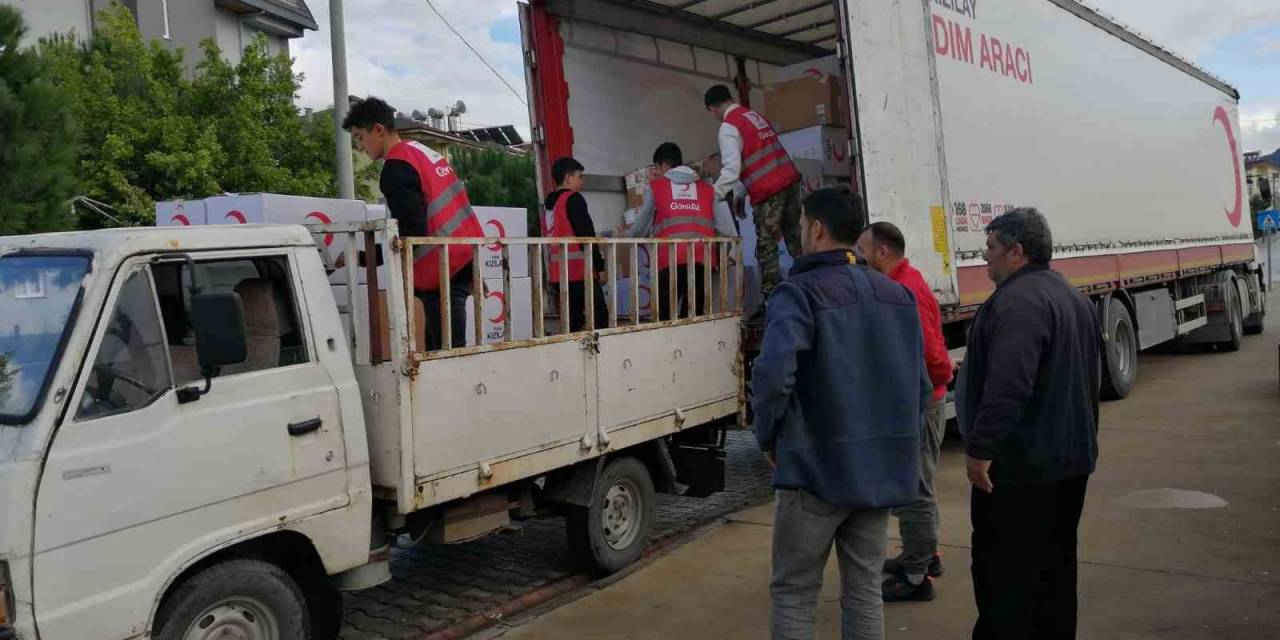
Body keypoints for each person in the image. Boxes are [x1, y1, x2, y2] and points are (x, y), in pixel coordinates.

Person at [752, 186, 932, 640]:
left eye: (800, 225)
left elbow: (773, 378)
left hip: (814, 470)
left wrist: (768, 438)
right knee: (865, 590)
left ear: (815, 229)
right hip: (877, 475)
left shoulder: (797, 293)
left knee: (794, 591)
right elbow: (921, 388)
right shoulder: (897, 296)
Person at [956, 208, 1100, 639]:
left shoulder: (1018, 303)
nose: (986, 259)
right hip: (1068, 462)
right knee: (1054, 570)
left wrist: (981, 451)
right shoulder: (1069, 296)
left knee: (1005, 576)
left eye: (991, 250)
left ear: (1016, 252)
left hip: (1023, 471)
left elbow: (1008, 385)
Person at [854, 221, 955, 602]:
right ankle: (923, 556)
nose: (857, 257)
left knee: (916, 490)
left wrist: (938, 380)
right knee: (917, 484)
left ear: (882, 252)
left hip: (921, 401)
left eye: (862, 250)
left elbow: (931, 352)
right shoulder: (906, 278)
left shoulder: (903, 288)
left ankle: (916, 577)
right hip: (922, 398)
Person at [342, 96, 483, 350]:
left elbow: (408, 233)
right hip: (461, 256)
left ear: (378, 129)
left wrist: (363, 257)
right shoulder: (421, 151)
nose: (359, 146)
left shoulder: (396, 168)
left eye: (360, 137)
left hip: (440, 266)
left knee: (445, 354)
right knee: (449, 349)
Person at [705, 84, 803, 309]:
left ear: (712, 109)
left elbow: (731, 169)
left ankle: (774, 302)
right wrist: (740, 192)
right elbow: (756, 156)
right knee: (796, 240)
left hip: (769, 192)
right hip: (789, 182)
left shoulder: (728, 127)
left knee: (767, 248)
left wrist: (711, 196)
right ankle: (812, 285)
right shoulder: (752, 115)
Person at [629, 143, 737, 320]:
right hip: (703, 262)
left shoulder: (656, 187)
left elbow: (641, 228)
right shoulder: (709, 190)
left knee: (666, 318)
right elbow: (727, 229)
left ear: (664, 166)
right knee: (694, 316)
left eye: (656, 167)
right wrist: (728, 254)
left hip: (668, 262)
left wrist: (627, 236)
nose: (655, 172)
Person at [544, 157, 609, 332]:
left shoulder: (549, 205)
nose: (582, 181)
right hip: (579, 272)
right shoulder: (573, 199)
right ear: (568, 178)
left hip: (559, 274)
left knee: (573, 321)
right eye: (579, 176)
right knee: (600, 319)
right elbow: (586, 236)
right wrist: (599, 266)